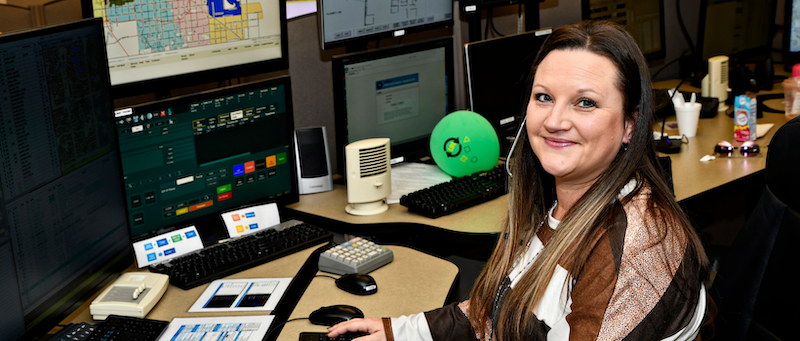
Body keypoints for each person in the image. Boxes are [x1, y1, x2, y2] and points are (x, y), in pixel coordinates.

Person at [328, 20, 710, 340]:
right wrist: (399, 331)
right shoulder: (561, 200)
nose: (555, 120)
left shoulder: (636, 243)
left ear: (630, 123)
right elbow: (501, 307)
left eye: (586, 102)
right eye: (544, 97)